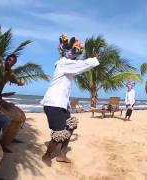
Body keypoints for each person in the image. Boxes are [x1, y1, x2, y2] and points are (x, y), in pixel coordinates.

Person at [40, 34, 99, 167]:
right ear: (65, 51)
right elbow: (82, 65)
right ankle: (46, 156)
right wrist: (94, 59)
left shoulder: (67, 65)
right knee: (59, 133)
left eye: (76, 52)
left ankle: (61, 155)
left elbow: (78, 67)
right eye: (73, 51)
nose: (74, 54)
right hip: (53, 104)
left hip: (60, 104)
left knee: (71, 126)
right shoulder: (63, 63)